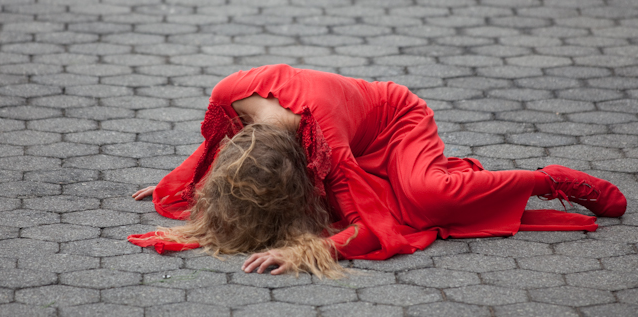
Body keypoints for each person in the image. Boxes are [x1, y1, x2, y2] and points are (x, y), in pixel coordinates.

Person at [129, 64, 627, 277]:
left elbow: (372, 227)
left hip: (395, 120)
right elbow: (216, 147)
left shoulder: (323, 134)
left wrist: (312, 249)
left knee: (430, 199)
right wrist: (188, 185)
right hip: (349, 132)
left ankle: (551, 179)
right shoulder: (228, 94)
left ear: (306, 164)